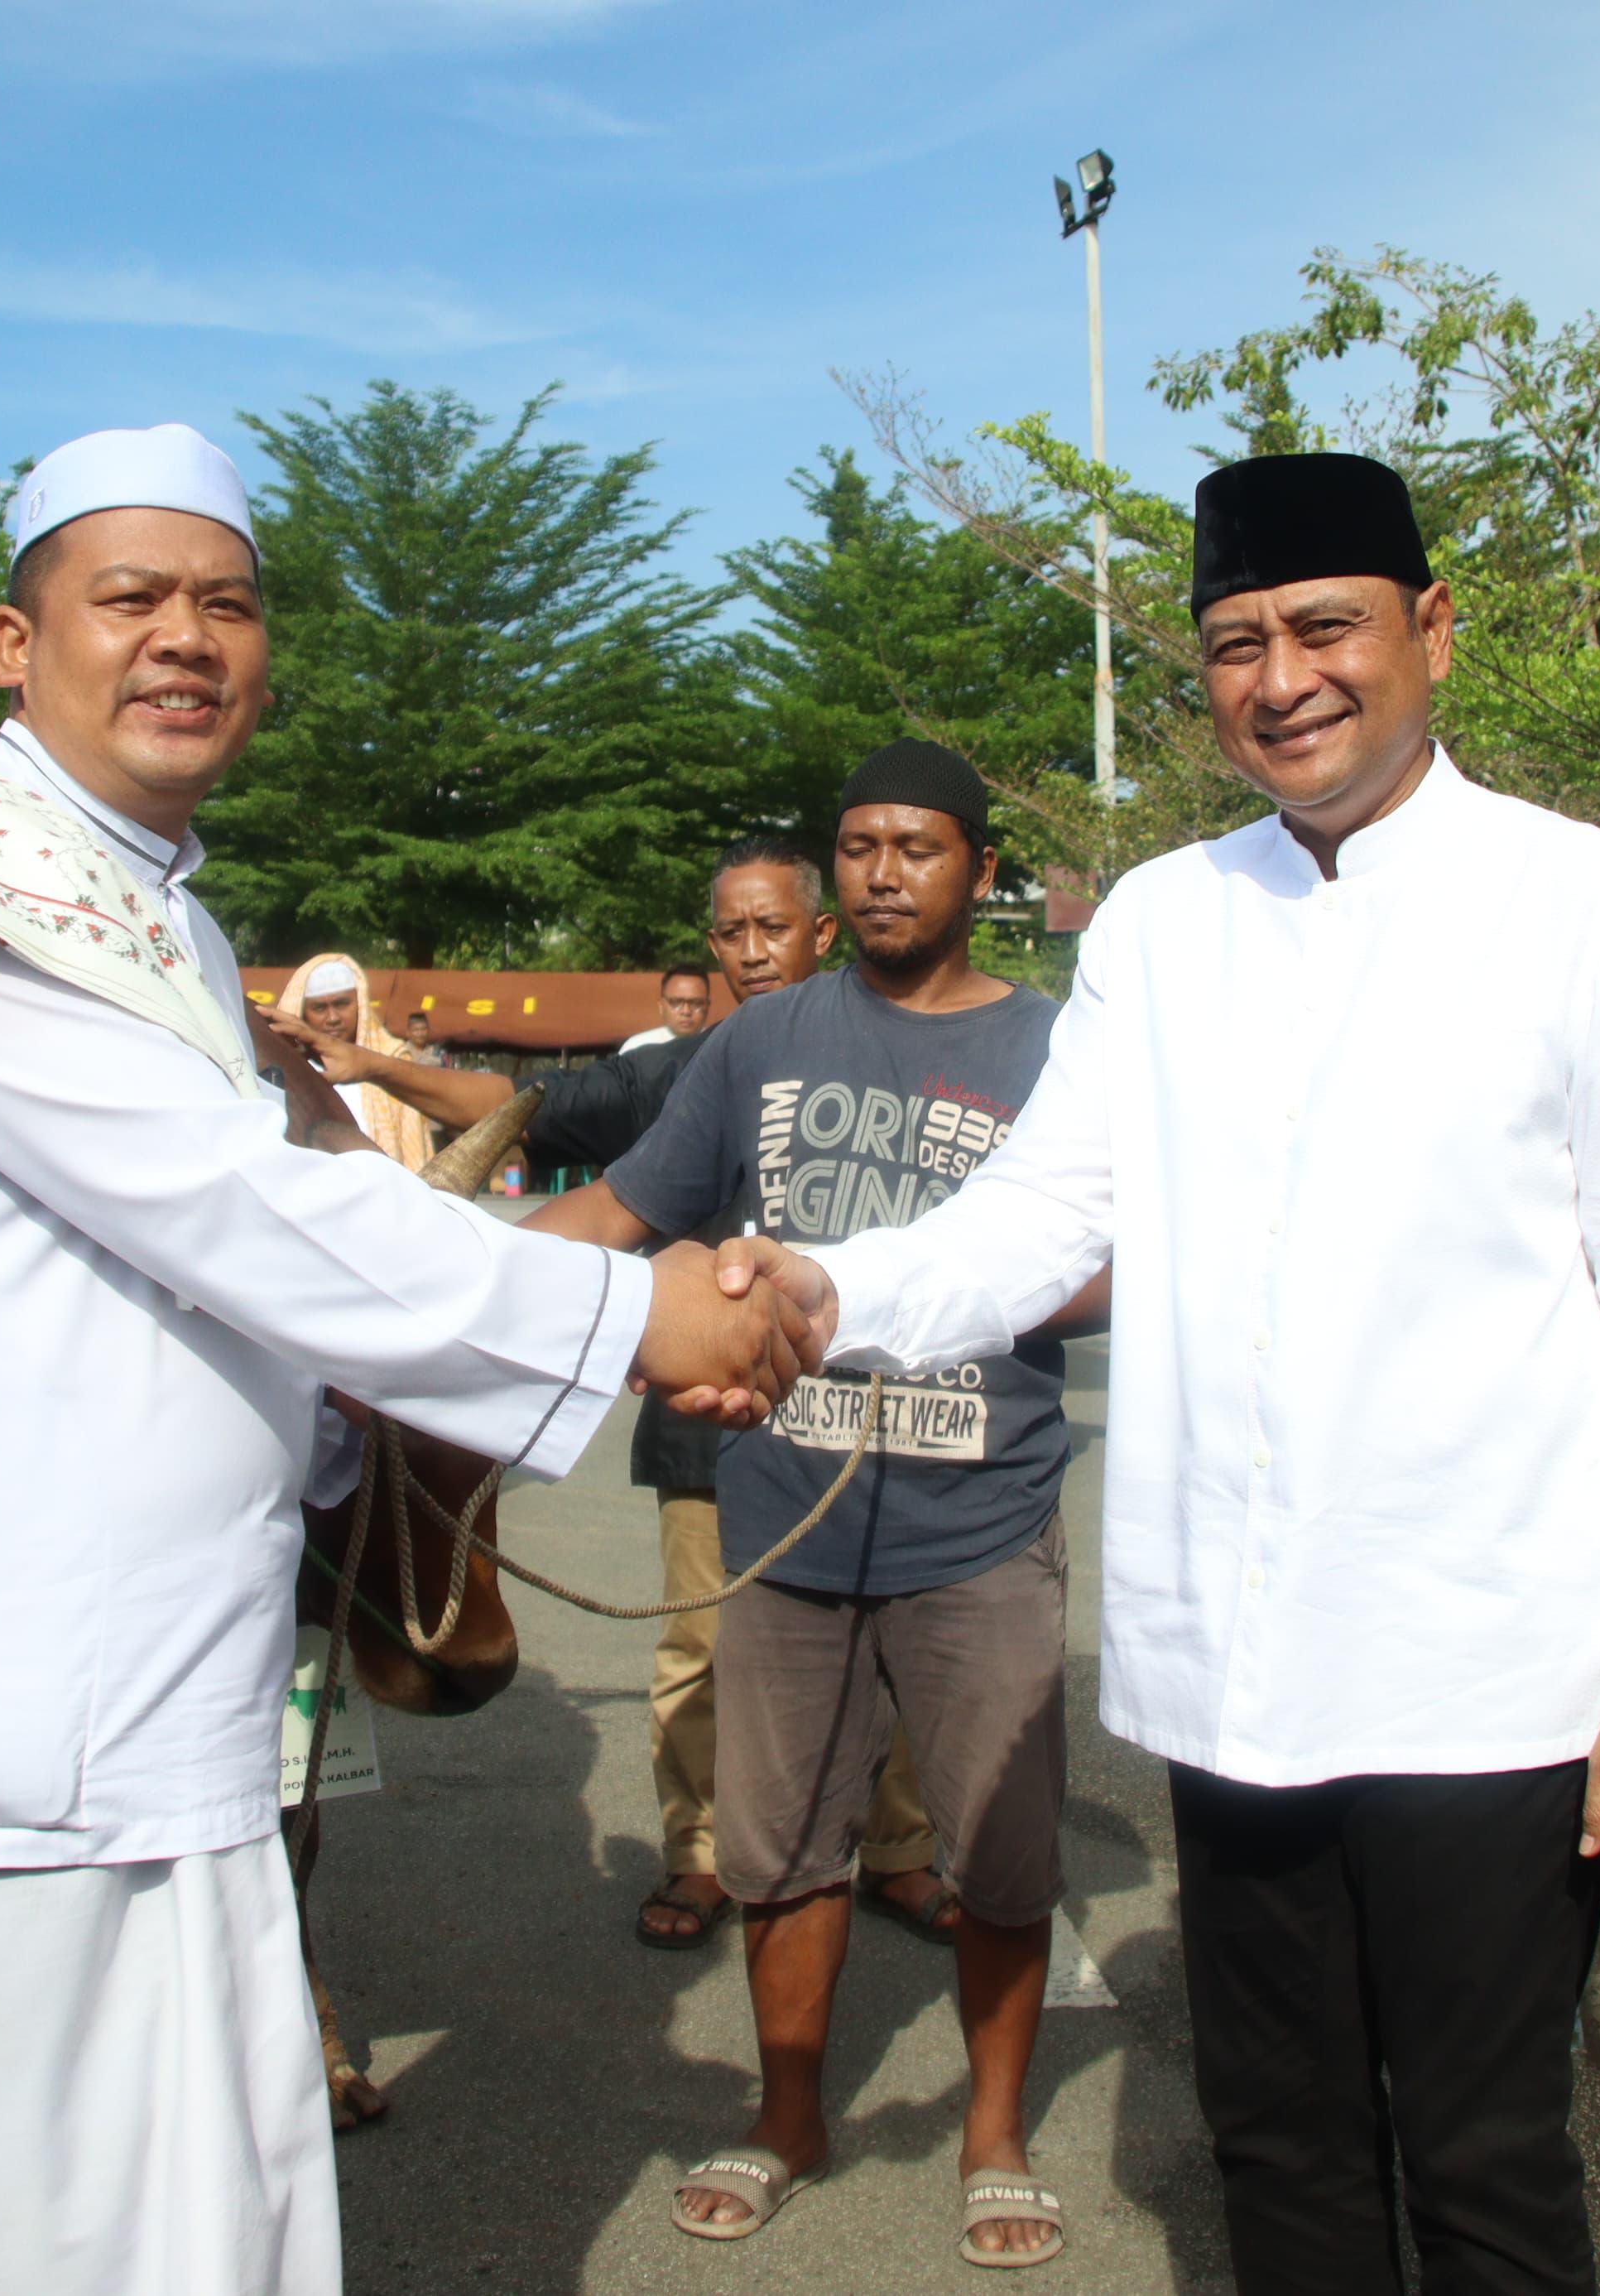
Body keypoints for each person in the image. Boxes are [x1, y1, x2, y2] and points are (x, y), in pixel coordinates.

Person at [0, 424, 810, 2296]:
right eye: (132, 598)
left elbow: (201, 1288)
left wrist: (351, 1444)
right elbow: (235, 1212)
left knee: (200, 2234)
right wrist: (634, 1313)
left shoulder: (155, 903)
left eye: (227, 603)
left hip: (149, 1718)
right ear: (16, 645)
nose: (187, 638)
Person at [715, 455, 1600, 2294]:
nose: (1279, 679)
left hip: (1489, 1671)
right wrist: (819, 1287)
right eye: (1233, 642)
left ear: (1431, 630)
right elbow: (1038, 1218)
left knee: (1486, 2153)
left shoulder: (1587, 902)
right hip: (1240, 1674)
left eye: (1323, 628)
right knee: (1276, 2141)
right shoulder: (1160, 924)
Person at [531, 742, 1101, 2261]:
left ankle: (993, 2129)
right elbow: (625, 1209)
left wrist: (934, 1294)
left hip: (978, 1513)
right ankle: (789, 2113)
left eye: (918, 845)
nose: (884, 871)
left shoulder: (1058, 1047)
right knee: (778, 1842)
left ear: (981, 869)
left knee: (999, 1848)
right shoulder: (762, 1040)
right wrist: (449, 1279)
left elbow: (1116, 1257)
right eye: (858, 846)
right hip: (781, 1514)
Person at [292, 844, 963, 1952]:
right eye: (730, 933)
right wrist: (366, 1061)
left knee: (885, 1640)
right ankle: (697, 1857)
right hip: (712, 1426)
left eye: (773, 930)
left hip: (875, 1414)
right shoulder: (688, 1070)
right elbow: (515, 1105)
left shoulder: (908, 1059)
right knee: (700, 1647)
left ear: (821, 934)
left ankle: (897, 1850)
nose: (752, 953)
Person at [273, 952, 431, 1169]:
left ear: (360, 1005)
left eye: (341, 1004)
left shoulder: (390, 1061)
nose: (333, 1018)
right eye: (319, 1008)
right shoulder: (283, 1073)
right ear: (302, 1012)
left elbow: (414, 1155)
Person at [619, 961, 715, 1052]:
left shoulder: (719, 1047)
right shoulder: (636, 1047)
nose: (686, 1011)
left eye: (696, 1003)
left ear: (707, 1006)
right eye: (676, 1002)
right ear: (661, 1006)